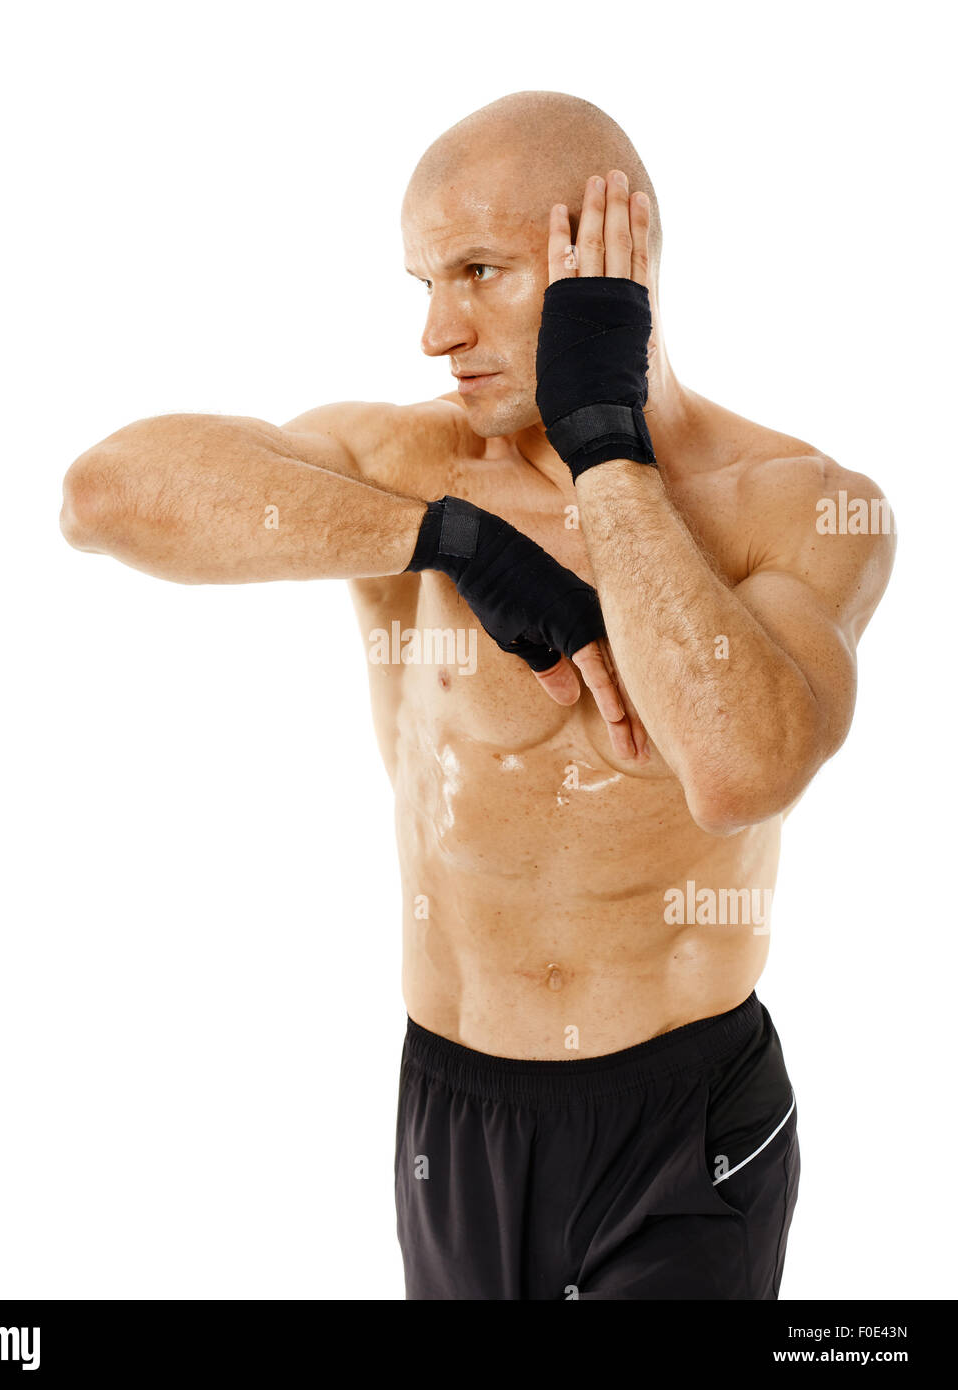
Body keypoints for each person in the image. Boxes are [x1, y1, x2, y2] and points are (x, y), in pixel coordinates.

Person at [59, 90, 896, 1299]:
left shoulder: (796, 502)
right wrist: (454, 541)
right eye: (422, 282)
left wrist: (604, 444)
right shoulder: (408, 466)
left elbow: (737, 770)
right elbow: (103, 496)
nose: (435, 331)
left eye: (478, 269)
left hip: (683, 1125)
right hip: (454, 1109)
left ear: (617, 257)